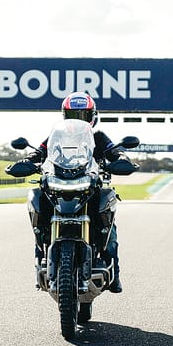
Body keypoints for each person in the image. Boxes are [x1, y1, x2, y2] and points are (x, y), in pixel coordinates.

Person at [24, 92, 127, 293]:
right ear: (64, 115)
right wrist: (28, 160)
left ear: (92, 116)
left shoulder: (98, 137)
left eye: (82, 115)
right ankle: (41, 253)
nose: (77, 120)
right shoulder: (56, 137)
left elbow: (113, 151)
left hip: (89, 185)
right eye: (72, 115)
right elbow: (39, 151)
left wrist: (121, 158)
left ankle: (114, 272)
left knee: (109, 221)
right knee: (38, 199)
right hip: (59, 182)